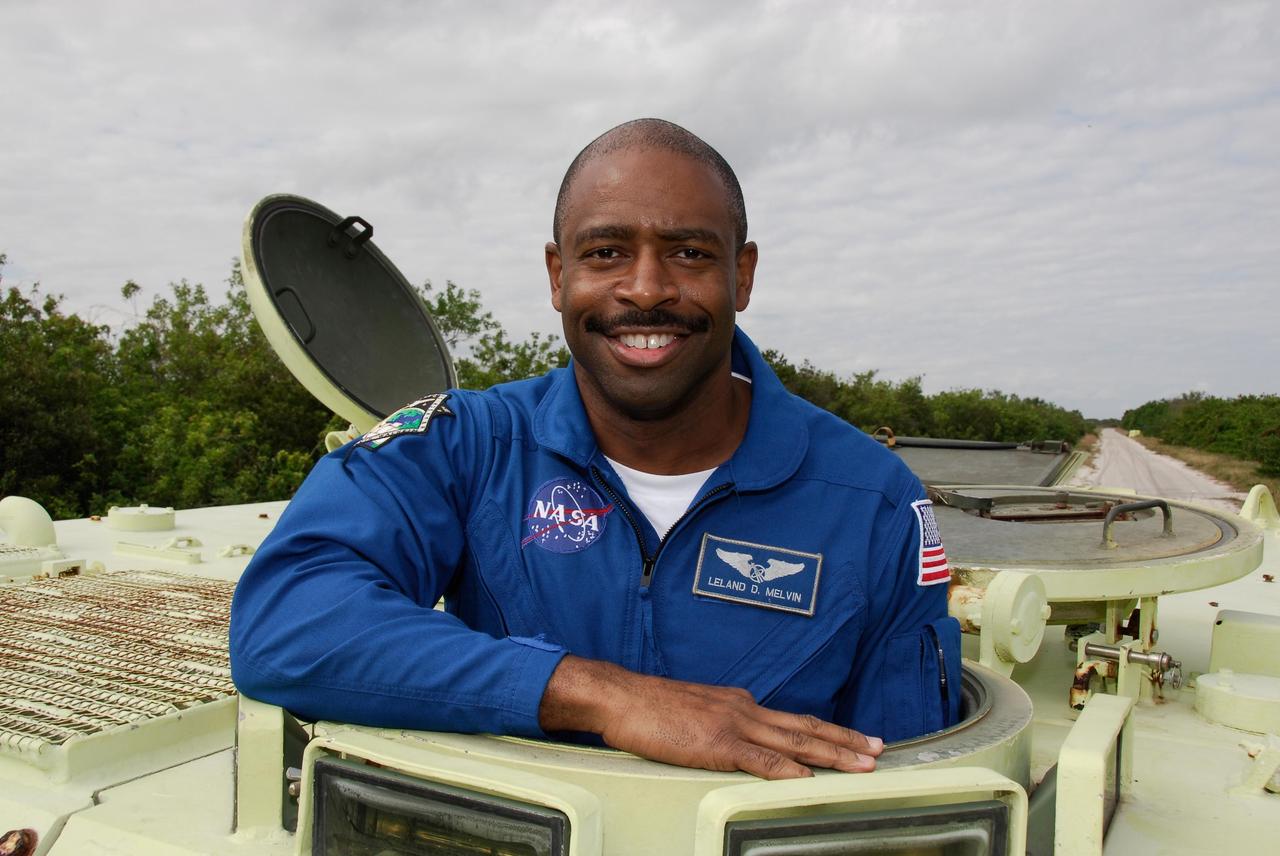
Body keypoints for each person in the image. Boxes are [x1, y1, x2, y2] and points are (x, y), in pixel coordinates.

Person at [230, 118, 961, 781]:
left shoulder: (875, 503)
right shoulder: (466, 445)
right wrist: (599, 695)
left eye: (689, 253)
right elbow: (284, 624)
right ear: (558, 275)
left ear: (742, 273)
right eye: (607, 251)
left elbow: (905, 779)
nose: (646, 289)